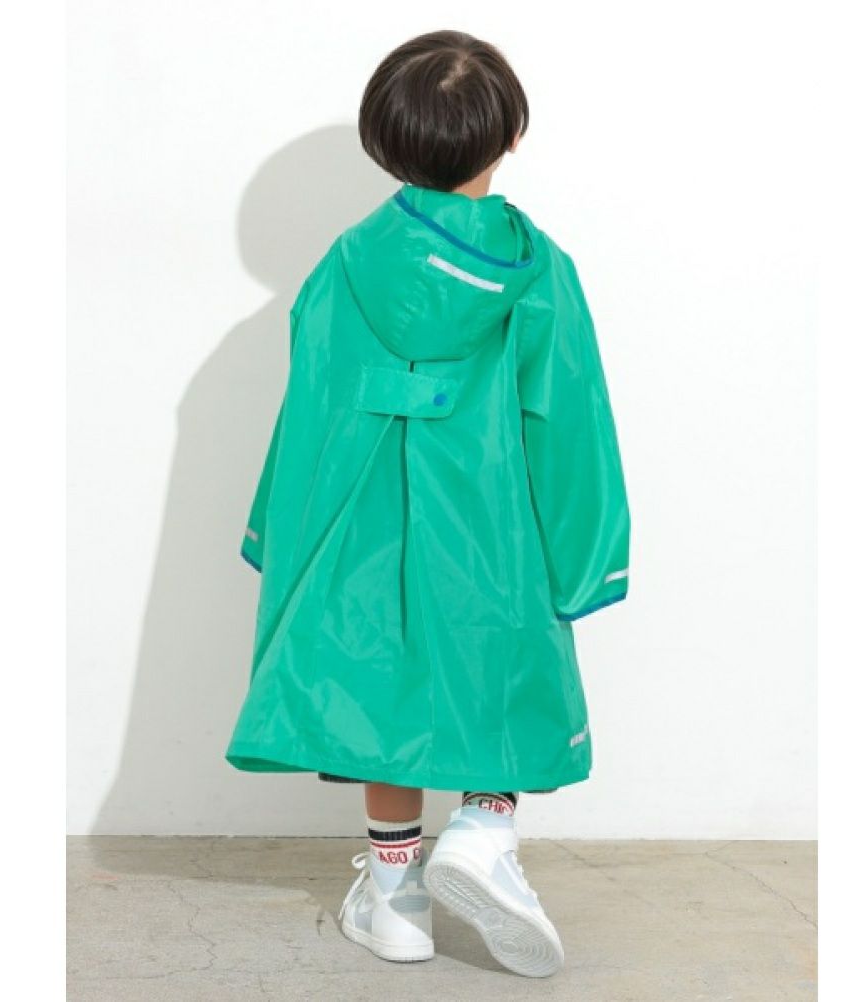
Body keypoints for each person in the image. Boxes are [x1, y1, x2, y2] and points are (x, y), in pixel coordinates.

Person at [225, 29, 630, 979]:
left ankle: (397, 897)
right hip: (492, 517)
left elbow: (312, 400)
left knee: (384, 691)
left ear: (385, 142)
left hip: (362, 519)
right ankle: (485, 831)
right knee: (500, 672)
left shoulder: (346, 262)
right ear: (512, 135)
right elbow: (568, 419)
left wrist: (278, 527)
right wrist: (588, 555)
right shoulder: (538, 273)